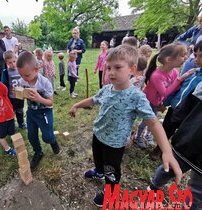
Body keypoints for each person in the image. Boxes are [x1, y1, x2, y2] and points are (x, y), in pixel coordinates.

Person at [69, 45, 182, 207]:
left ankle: (110, 192)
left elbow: (154, 123)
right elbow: (94, 99)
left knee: (111, 169)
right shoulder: (107, 89)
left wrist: (166, 151)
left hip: (114, 144)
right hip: (99, 135)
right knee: (98, 160)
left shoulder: (136, 97)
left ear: (132, 69)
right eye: (108, 68)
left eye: (117, 67)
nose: (111, 72)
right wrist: (76, 105)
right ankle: (99, 171)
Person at [148, 82, 202, 210]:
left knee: (196, 188)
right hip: (189, 139)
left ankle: (154, 186)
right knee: (172, 168)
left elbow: (183, 109)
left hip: (187, 139)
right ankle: (154, 186)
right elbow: (185, 107)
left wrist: (175, 123)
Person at [150, 40, 202, 160]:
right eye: (195, 55)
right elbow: (177, 90)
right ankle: (159, 149)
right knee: (167, 129)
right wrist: (165, 103)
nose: (197, 59)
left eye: (201, 56)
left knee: (182, 134)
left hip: (189, 114)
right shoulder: (192, 73)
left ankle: (174, 154)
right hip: (174, 109)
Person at [134, 42, 193, 149]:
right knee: (147, 121)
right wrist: (180, 79)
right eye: (182, 55)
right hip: (148, 101)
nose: (186, 58)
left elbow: (174, 89)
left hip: (157, 102)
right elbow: (165, 92)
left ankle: (148, 136)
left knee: (154, 119)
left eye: (186, 55)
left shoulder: (174, 72)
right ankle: (137, 137)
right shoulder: (156, 75)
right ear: (169, 59)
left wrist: (163, 103)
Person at [16, 51, 60, 169]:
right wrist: (20, 94)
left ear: (36, 69)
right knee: (31, 136)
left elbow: (50, 102)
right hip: (31, 112)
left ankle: (53, 141)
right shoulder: (22, 81)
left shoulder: (44, 82)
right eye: (21, 75)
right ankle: (38, 152)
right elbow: (22, 93)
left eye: (26, 75)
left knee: (47, 137)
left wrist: (39, 98)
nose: (23, 78)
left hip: (44, 112)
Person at [1, 50, 27, 129]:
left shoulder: (20, 69)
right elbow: (3, 84)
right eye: (10, 63)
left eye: (14, 61)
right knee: (12, 111)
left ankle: (21, 123)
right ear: (6, 63)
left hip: (21, 95)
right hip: (12, 97)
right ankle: (11, 125)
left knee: (20, 110)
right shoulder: (5, 72)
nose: (13, 64)